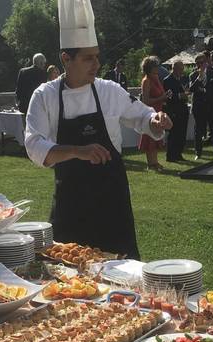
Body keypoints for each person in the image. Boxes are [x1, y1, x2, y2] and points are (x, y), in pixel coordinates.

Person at [24, 0, 172, 258]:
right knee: (67, 281)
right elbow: (35, 147)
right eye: (88, 58)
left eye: (97, 56)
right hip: (71, 206)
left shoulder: (109, 90)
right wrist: (78, 151)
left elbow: (142, 116)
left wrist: (155, 120)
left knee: (123, 280)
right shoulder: (44, 96)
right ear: (65, 58)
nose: (96, 64)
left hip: (112, 206)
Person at [138, 56, 170, 171]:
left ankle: (155, 162)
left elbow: (160, 95)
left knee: (156, 137)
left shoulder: (156, 78)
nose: (158, 68)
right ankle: (151, 164)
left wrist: (164, 97)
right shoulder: (146, 81)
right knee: (150, 137)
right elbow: (145, 101)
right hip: (150, 112)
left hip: (158, 110)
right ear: (150, 68)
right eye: (155, 66)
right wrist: (161, 97)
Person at [189, 53, 213, 159]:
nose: (199, 65)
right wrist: (199, 78)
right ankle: (198, 153)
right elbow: (191, 89)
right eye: (197, 63)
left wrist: (205, 90)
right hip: (199, 107)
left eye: (201, 63)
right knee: (198, 130)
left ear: (206, 63)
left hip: (211, 106)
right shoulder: (193, 75)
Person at [162, 61, 189, 162]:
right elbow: (168, 97)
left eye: (182, 69)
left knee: (182, 133)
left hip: (183, 109)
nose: (181, 71)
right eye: (180, 69)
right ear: (174, 69)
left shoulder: (182, 79)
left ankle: (178, 154)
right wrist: (179, 95)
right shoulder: (168, 80)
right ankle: (171, 155)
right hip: (174, 110)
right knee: (174, 134)